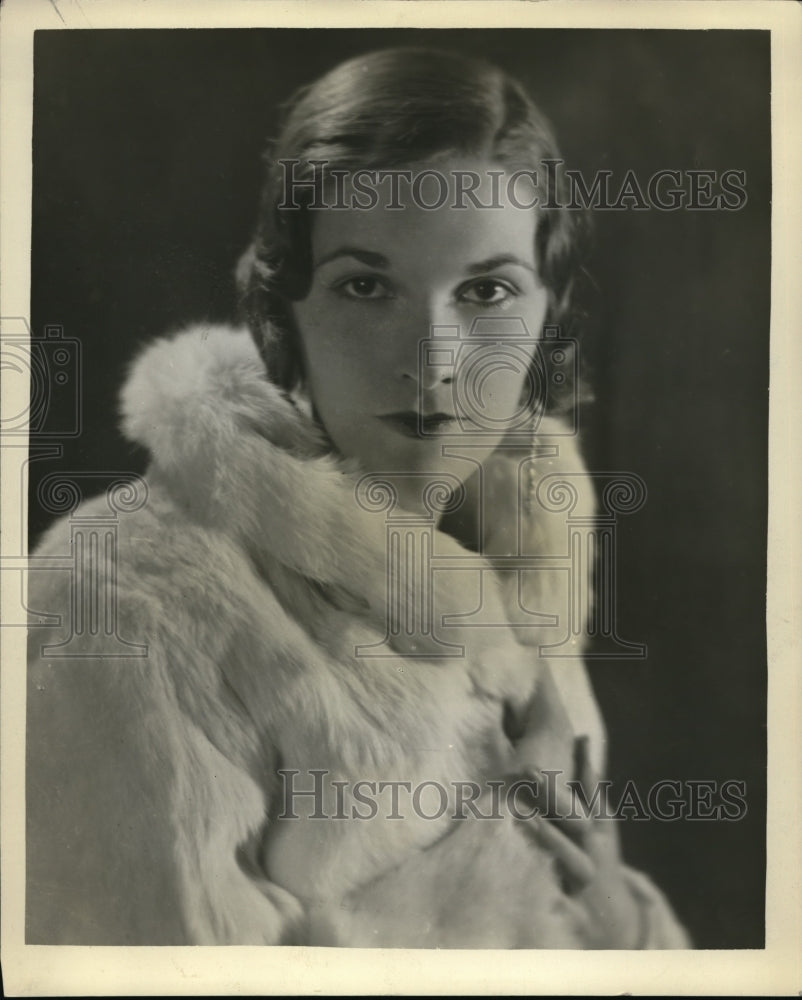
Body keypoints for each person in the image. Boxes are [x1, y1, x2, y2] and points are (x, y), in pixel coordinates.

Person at [26, 46, 689, 948]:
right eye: (365, 286)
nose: (433, 359)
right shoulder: (125, 598)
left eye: (487, 289)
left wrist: (622, 933)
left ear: (548, 310)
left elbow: (595, 908)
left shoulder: (522, 566)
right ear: (282, 307)